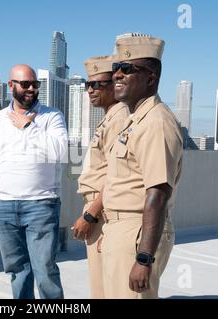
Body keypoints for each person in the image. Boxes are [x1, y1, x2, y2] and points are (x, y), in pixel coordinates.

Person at [101, 34, 183, 298]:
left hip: (137, 234)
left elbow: (157, 194)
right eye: (116, 69)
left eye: (127, 69)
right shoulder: (134, 119)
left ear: (151, 78)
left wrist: (144, 257)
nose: (117, 75)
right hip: (123, 230)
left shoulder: (156, 122)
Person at [0, 64, 68, 299]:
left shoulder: (52, 116)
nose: (31, 89)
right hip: (4, 207)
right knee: (18, 272)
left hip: (41, 205)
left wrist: (29, 126)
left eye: (35, 85)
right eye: (25, 84)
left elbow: (59, 151)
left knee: (45, 271)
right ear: (11, 86)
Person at [71, 55, 128, 298]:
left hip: (102, 212)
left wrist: (90, 214)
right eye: (88, 85)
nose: (91, 90)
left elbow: (115, 176)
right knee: (101, 285)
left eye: (98, 84)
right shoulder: (109, 117)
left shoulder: (119, 118)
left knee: (105, 289)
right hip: (100, 209)